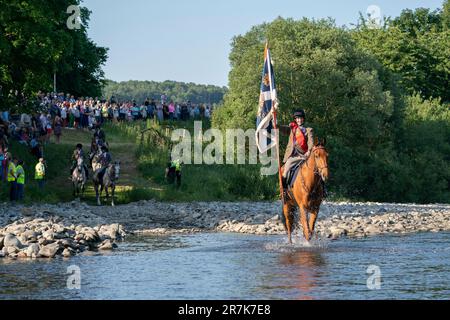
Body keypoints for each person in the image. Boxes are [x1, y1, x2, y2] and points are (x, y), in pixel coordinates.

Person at [279, 109, 315, 197]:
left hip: (304, 156)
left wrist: (309, 151)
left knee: (317, 170)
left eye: (301, 118)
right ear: (295, 119)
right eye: (297, 118)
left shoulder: (308, 130)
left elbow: (311, 142)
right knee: (285, 171)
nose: (299, 120)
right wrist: (276, 125)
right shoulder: (292, 129)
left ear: (303, 119)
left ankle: (323, 190)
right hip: (293, 156)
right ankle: (284, 191)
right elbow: (282, 128)